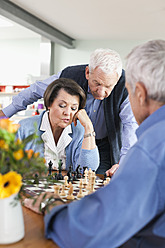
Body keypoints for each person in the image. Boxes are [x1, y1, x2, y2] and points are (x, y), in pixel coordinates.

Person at [24, 39, 165, 248]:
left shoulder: (151, 149)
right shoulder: (27, 127)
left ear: (141, 93)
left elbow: (84, 232)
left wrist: (50, 203)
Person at [0, 48, 138, 174]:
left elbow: (130, 125)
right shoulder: (69, 75)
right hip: (75, 138)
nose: (101, 92)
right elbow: (36, 90)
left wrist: (124, 161)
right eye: (97, 83)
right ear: (88, 73)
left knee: (96, 181)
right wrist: (5, 114)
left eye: (108, 86)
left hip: (105, 143)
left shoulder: (126, 86)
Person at [16, 78, 99, 172]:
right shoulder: (24, 128)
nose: (67, 113)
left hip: (66, 186)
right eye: (62, 106)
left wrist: (88, 127)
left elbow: (88, 170)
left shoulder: (80, 130)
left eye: (73, 108)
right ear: (49, 104)